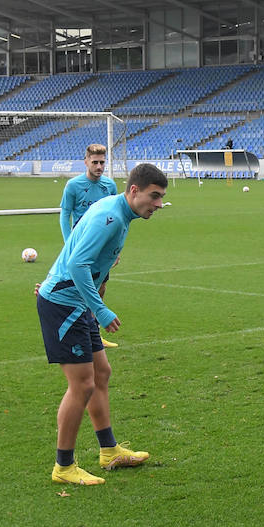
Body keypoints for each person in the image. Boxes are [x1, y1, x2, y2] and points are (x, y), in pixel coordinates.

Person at [36, 163, 167, 485]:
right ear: (134, 190)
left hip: (73, 301)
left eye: (162, 197)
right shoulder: (109, 217)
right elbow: (78, 264)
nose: (159, 204)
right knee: (81, 384)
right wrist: (101, 310)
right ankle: (63, 466)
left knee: (101, 373)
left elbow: (78, 250)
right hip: (65, 305)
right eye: (154, 196)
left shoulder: (117, 212)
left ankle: (109, 450)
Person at [59, 143, 120, 347]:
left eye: (102, 162)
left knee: (100, 287)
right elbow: (64, 214)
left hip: (102, 247)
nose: (99, 166)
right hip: (81, 245)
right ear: (86, 162)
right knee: (77, 287)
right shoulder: (73, 186)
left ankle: (93, 331)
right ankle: (74, 331)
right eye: (95, 162)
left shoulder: (110, 186)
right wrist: (69, 244)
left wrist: (115, 250)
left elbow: (116, 217)